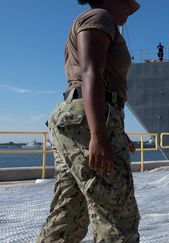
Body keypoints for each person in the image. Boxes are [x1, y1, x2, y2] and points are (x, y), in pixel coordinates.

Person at [36, 1, 141, 242]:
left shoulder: (99, 20)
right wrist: (99, 134)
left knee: (69, 215)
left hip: (78, 119)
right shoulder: (99, 17)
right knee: (117, 217)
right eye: (127, 3)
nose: (130, 10)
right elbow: (90, 73)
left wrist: (113, 129)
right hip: (87, 117)